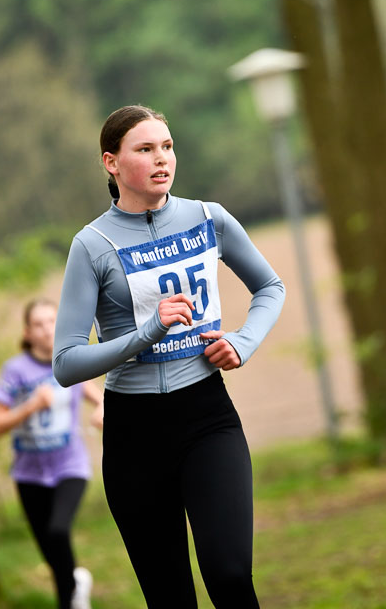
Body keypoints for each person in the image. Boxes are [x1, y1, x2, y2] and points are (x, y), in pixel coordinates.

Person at [53, 104, 285, 608]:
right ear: (111, 163)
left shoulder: (208, 218)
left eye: (167, 146)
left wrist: (242, 342)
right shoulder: (91, 245)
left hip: (206, 418)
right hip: (134, 436)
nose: (162, 159)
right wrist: (148, 332)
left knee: (228, 575)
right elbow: (66, 363)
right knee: (170, 597)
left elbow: (270, 286)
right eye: (145, 149)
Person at [0, 298, 103, 609]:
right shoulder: (15, 371)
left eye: (51, 321)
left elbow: (102, 398)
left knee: (58, 530)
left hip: (70, 466)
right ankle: (72, 590)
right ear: (27, 332)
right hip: (28, 474)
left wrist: (103, 409)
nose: (46, 330)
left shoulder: (69, 362)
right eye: (38, 324)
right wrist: (29, 407)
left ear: (60, 323)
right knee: (52, 554)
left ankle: (71, 596)